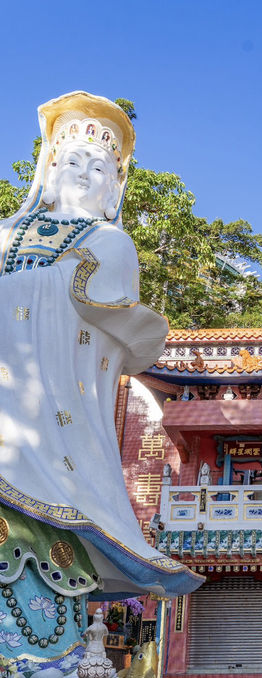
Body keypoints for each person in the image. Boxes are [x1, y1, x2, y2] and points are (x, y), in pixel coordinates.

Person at [0, 92, 201, 598]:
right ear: (47, 170)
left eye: (99, 168)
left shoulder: (111, 242)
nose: (84, 174)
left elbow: (89, 302)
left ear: (114, 190)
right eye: (72, 161)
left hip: (54, 419)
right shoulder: (7, 234)